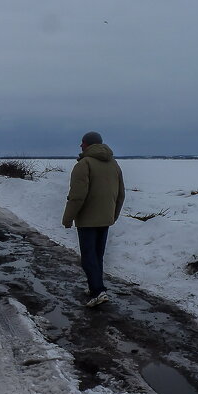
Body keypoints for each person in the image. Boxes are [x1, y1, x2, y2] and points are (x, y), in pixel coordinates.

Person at [62, 131, 125, 307]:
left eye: (82, 143)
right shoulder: (114, 164)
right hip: (105, 218)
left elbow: (77, 196)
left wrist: (68, 218)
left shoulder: (84, 164)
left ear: (87, 144)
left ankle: (98, 291)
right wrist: (113, 215)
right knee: (97, 256)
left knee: (88, 257)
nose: (80, 146)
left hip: (88, 219)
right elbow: (121, 194)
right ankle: (95, 287)